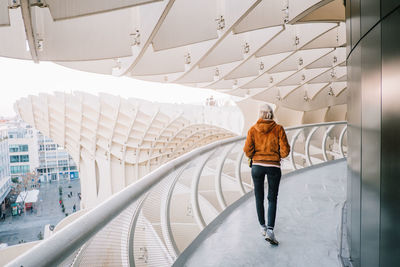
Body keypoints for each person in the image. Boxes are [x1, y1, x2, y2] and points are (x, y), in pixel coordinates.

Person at [243, 104, 290, 245]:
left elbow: (247, 151)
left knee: (259, 197)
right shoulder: (278, 129)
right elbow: (285, 151)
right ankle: (270, 230)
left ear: (260, 114)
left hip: (257, 167)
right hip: (273, 166)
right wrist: (277, 155)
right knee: (272, 198)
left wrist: (257, 155)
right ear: (271, 115)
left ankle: (262, 227)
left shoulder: (252, 130)